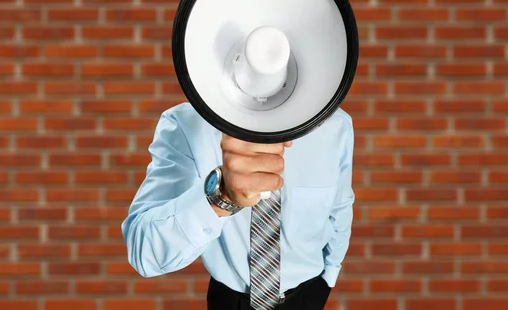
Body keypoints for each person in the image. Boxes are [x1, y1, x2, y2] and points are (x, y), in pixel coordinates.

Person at [122, 102, 355, 310]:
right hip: (230, 301)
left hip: (309, 295)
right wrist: (221, 195)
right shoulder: (186, 124)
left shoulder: (336, 125)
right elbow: (144, 253)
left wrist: (329, 277)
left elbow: (340, 206)